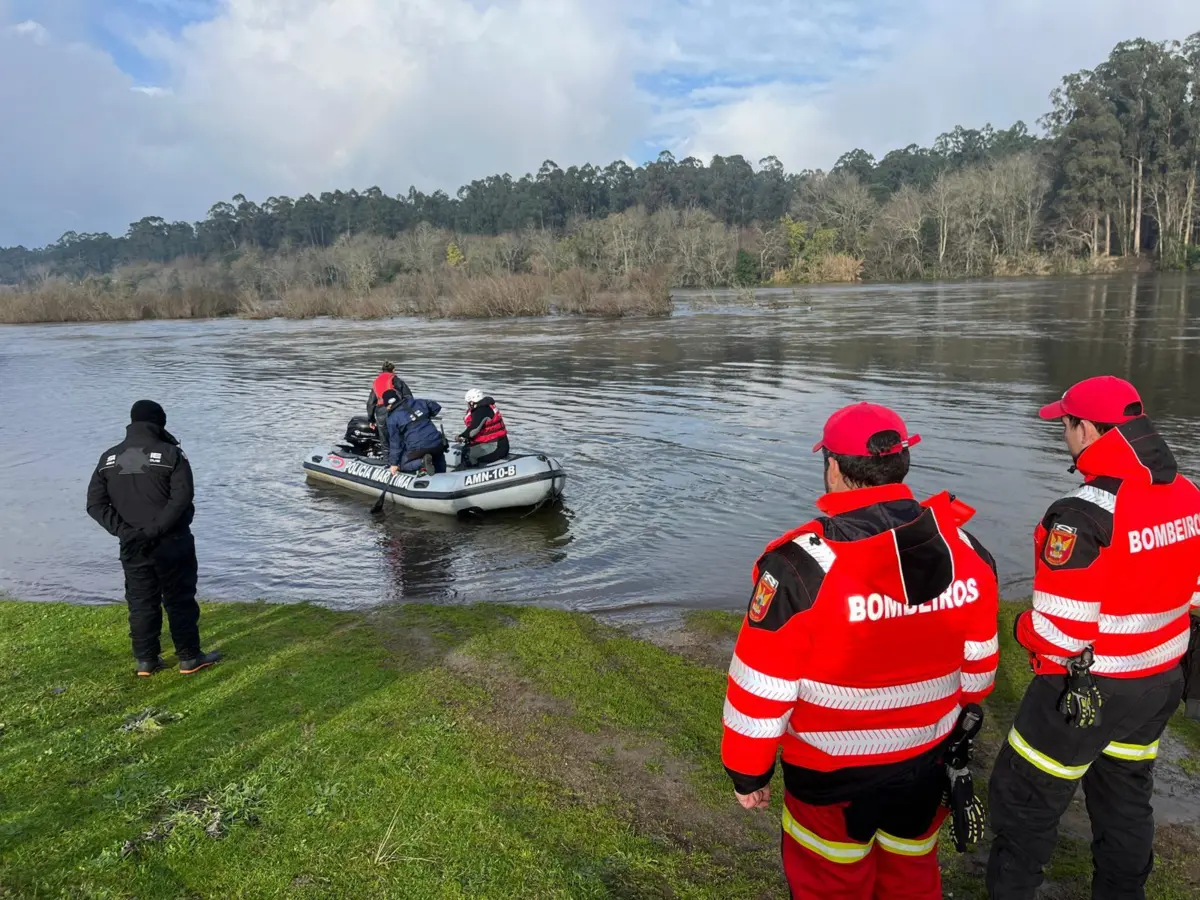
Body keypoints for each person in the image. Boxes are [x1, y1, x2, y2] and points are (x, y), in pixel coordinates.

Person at [721, 402, 1001, 900]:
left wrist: (748, 772)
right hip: (927, 759)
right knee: (911, 877)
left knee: (830, 883)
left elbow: (760, 686)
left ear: (832, 466)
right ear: (903, 463)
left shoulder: (800, 567)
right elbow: (979, 670)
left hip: (830, 775)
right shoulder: (966, 549)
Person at [986, 376, 1200, 900]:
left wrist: (1017, 628)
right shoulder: (1187, 492)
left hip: (1086, 690)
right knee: (1126, 802)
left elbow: (1058, 632)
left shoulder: (1082, 516)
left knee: (1023, 804)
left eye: (1066, 424)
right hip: (1159, 680)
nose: (1064, 434)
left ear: (1088, 430)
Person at [86, 400, 221, 677]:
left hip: (132, 544)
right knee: (179, 598)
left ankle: (146, 661)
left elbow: (95, 504)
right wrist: (156, 529)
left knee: (140, 600)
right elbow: (182, 498)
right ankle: (189, 657)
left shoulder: (108, 459)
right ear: (160, 423)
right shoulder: (171, 454)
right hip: (172, 540)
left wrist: (124, 531)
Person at [385, 390, 446, 475]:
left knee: (402, 465)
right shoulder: (419, 402)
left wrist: (394, 463)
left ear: (389, 405)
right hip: (436, 442)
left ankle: (422, 462)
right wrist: (423, 416)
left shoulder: (392, 419)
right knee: (438, 454)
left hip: (418, 447)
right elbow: (436, 407)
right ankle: (442, 474)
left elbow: (395, 443)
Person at [367, 361, 413, 459]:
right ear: (393, 370)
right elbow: (408, 396)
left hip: (380, 413)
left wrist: (371, 419)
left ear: (382, 371)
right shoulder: (395, 379)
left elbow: (371, 403)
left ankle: (387, 462)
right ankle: (403, 461)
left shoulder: (376, 382)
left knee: (384, 440)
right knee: (399, 437)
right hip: (395, 410)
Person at [456, 388, 509, 467]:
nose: (467, 405)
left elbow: (473, 431)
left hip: (496, 446)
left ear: (472, 402)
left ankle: (470, 472)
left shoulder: (481, 411)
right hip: (497, 443)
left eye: (468, 403)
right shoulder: (485, 407)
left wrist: (461, 436)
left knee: (468, 452)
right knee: (467, 447)